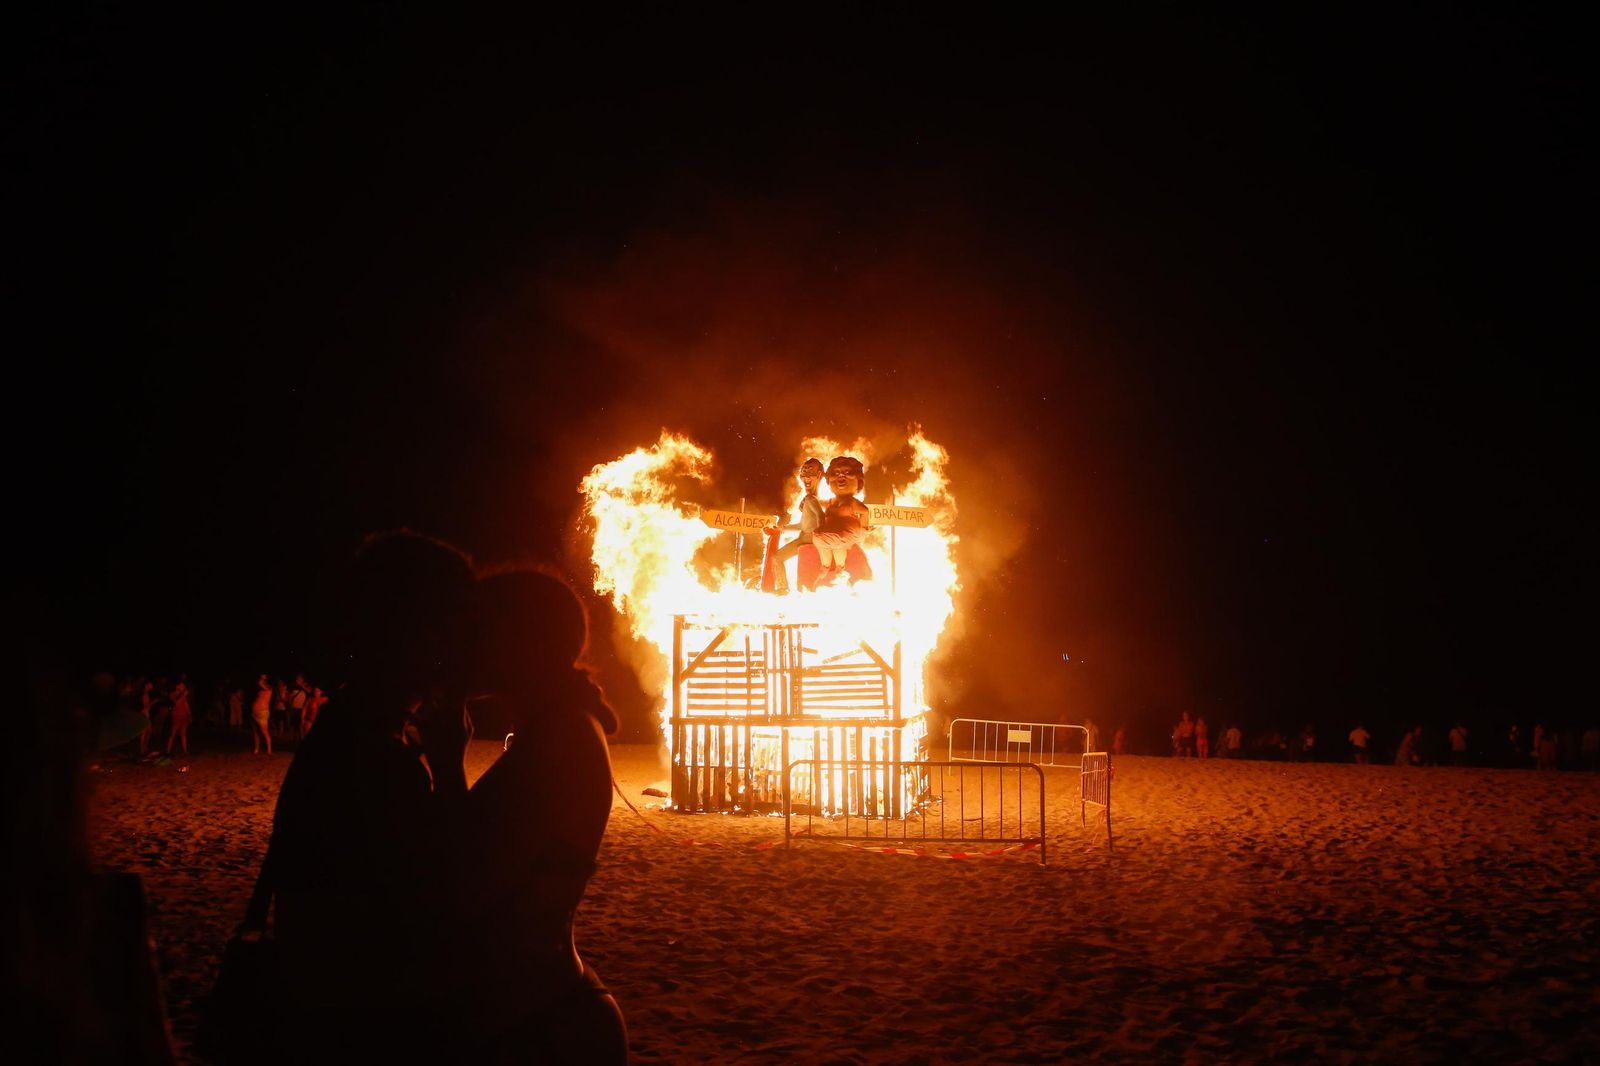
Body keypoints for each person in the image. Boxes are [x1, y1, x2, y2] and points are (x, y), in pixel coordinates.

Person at [263, 530, 478, 1062]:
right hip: (368, 1024)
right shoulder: (377, 757)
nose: (470, 643)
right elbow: (450, 894)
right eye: (459, 622)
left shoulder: (345, 728)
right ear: (422, 633)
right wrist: (449, 767)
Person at [446, 567, 629, 1063]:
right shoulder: (556, 729)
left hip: (541, 1025)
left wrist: (443, 762)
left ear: (523, 642)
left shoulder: (561, 740)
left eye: (478, 629)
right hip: (540, 1010)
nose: (461, 644)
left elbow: (462, 884)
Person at [763, 458, 824, 593]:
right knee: (777, 557)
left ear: (819, 475)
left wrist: (821, 536)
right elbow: (803, 524)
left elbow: (821, 516)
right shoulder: (809, 499)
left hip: (809, 538)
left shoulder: (810, 499)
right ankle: (783, 587)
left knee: (777, 557)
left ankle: (783, 587)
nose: (806, 476)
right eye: (804, 471)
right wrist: (783, 529)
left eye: (810, 471)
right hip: (805, 536)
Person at [812, 455, 873, 587]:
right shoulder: (831, 501)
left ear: (858, 480)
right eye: (836, 473)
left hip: (845, 535)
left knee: (827, 543)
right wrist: (809, 501)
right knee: (826, 554)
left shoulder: (852, 502)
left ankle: (837, 574)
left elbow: (865, 512)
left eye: (847, 472)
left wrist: (864, 528)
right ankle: (824, 574)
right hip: (829, 537)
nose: (841, 476)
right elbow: (817, 503)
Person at [165, 675, 192, 756]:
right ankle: (168, 751)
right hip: (176, 716)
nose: (184, 687)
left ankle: (185, 751)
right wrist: (183, 695)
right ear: (177, 686)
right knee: (172, 734)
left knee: (183, 734)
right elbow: (176, 703)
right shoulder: (173, 694)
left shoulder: (183, 695)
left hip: (184, 716)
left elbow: (186, 705)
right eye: (182, 686)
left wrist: (190, 714)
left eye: (184, 686)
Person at [249, 675, 272, 755]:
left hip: (262, 712)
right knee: (256, 732)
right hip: (255, 712)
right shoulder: (261, 691)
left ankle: (269, 750)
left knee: (265, 731)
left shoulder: (269, 690)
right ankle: (256, 749)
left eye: (265, 682)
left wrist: (262, 678)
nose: (263, 683)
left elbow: (260, 683)